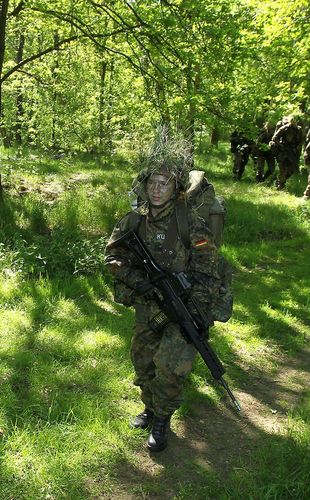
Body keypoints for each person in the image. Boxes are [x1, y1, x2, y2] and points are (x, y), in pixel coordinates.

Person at [105, 128, 222, 453]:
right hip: (147, 306)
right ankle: (150, 407)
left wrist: (195, 315)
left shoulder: (190, 226)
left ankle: (162, 421)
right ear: (144, 185)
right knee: (142, 361)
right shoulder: (133, 222)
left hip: (181, 309)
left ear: (176, 188)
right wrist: (138, 280)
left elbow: (208, 274)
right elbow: (112, 256)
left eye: (165, 183)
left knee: (170, 367)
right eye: (152, 183)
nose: (157, 190)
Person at [269, 116, 302, 190]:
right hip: (283, 151)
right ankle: (280, 185)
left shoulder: (298, 129)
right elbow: (274, 138)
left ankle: (279, 181)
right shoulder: (284, 128)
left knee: (291, 170)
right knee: (282, 169)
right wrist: (281, 146)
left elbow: (300, 141)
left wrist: (297, 149)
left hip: (292, 153)